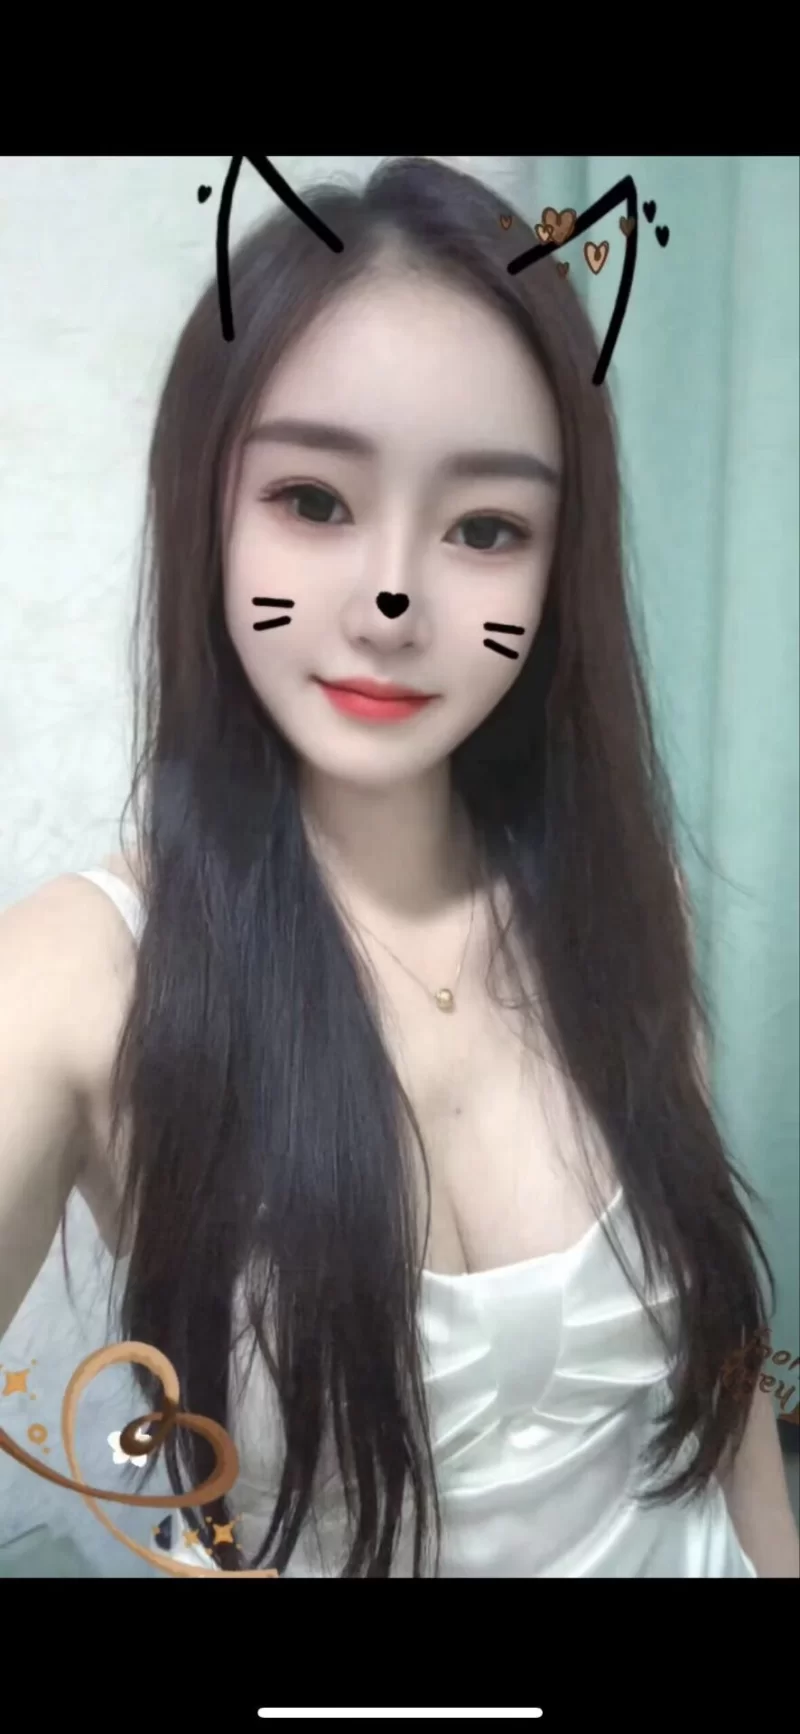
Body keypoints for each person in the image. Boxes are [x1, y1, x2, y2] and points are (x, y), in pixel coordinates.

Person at [1, 156, 797, 1578]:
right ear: (204, 506)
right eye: (313, 499)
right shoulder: (79, 977)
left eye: (486, 528)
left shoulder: (631, 909)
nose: (391, 598)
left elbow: (721, 1379)